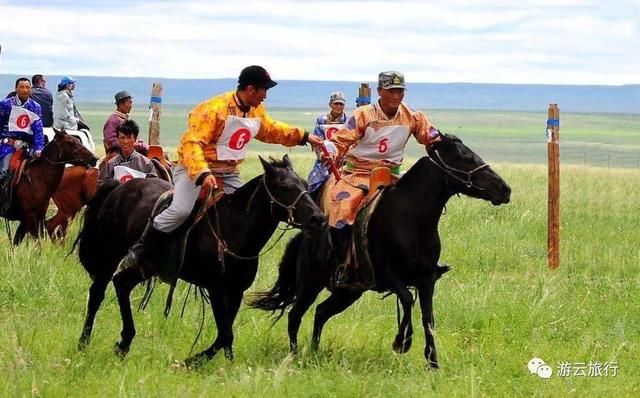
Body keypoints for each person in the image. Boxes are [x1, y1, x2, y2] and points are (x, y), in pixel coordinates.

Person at [115, 65, 323, 276]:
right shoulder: (213, 109)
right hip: (194, 171)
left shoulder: (255, 111)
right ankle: (141, 249)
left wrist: (304, 136)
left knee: (248, 211)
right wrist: (204, 174)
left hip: (229, 174)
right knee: (181, 210)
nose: (265, 96)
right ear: (250, 89)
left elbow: (270, 129)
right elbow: (191, 144)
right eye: (263, 90)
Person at [322, 71, 442, 285]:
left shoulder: (412, 116)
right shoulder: (363, 115)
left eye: (400, 91)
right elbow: (341, 140)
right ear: (379, 91)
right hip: (359, 173)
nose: (396, 96)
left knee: (422, 208)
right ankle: (344, 264)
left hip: (391, 175)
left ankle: (426, 263)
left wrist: (444, 145)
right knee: (344, 207)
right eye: (391, 91)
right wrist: (331, 151)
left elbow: (431, 137)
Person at [0, 78, 44, 180]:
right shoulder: (5, 105)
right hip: (8, 145)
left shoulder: (35, 107)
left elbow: (38, 130)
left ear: (31, 89)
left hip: (28, 146)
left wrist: (39, 148)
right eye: (22, 87)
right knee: (4, 171)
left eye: (27, 87)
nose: (25, 90)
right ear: (16, 89)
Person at [307, 91, 348, 194]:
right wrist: (322, 155)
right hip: (326, 159)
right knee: (314, 183)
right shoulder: (321, 120)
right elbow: (317, 140)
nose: (338, 106)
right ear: (330, 104)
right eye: (336, 103)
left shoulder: (349, 120)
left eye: (341, 104)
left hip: (344, 160)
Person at [103, 90, 148, 156]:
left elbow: (135, 137)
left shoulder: (124, 119)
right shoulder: (113, 120)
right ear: (121, 104)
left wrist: (141, 144)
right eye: (129, 103)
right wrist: (131, 145)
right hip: (121, 154)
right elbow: (111, 141)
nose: (131, 106)